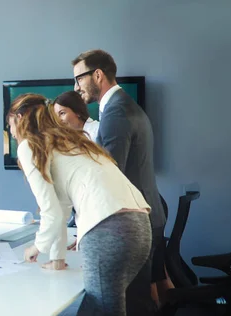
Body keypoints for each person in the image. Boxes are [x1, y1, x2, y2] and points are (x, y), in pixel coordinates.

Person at [8, 93, 153, 316]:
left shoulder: (29, 146)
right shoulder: (71, 139)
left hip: (108, 228)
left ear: (18, 117)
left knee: (102, 309)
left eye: (9, 125)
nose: (11, 131)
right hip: (140, 225)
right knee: (96, 309)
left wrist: (37, 248)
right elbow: (63, 206)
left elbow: (52, 211)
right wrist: (57, 258)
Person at [72, 49, 166, 312]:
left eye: (79, 79)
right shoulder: (123, 105)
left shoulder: (116, 113)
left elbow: (110, 176)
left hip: (133, 223)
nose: (76, 87)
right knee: (138, 300)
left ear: (98, 75)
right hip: (147, 214)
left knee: (134, 303)